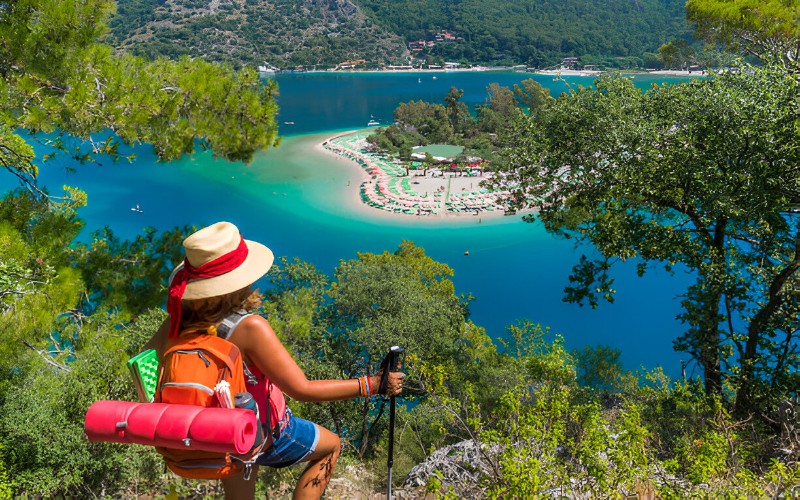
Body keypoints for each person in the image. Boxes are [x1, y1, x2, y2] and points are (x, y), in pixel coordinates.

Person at [143, 221, 405, 499]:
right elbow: (302, 390)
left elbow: (144, 365)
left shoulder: (177, 321)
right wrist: (373, 384)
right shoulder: (250, 328)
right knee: (331, 446)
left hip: (217, 434)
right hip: (267, 432)